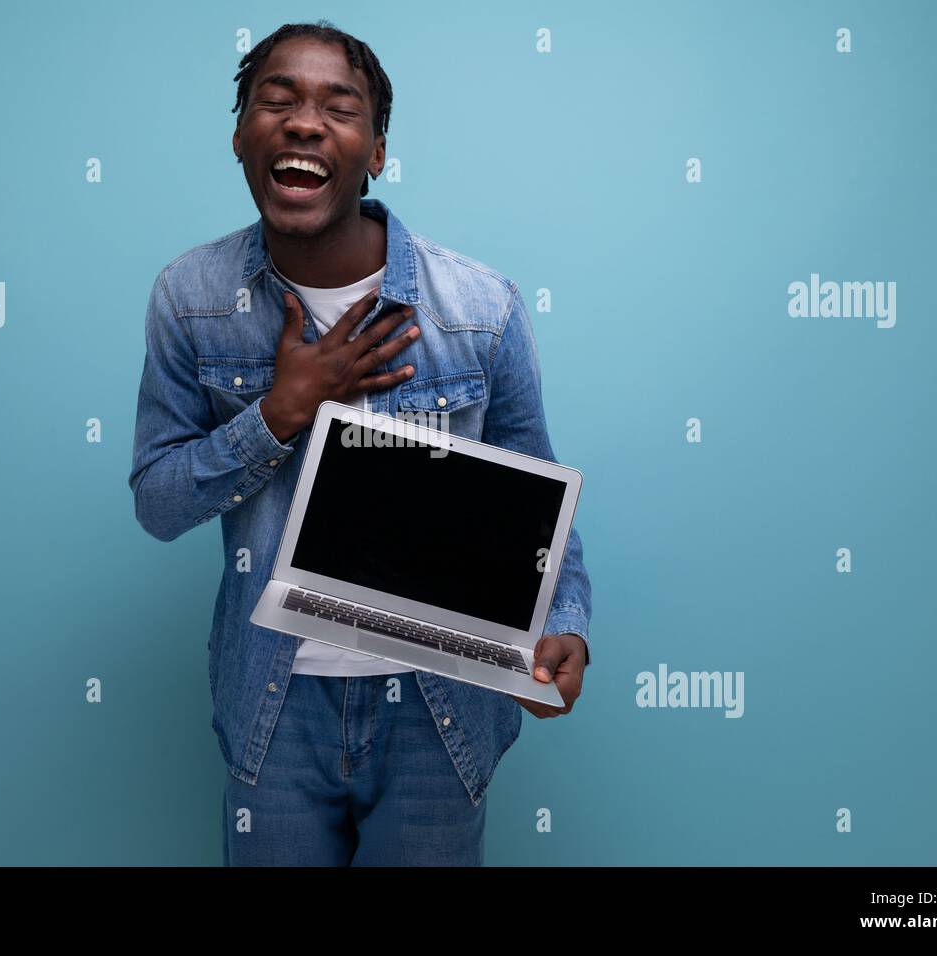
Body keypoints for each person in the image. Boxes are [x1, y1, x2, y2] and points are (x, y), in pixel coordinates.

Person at [128, 20, 593, 866]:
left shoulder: (479, 308)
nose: (304, 122)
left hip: (437, 714)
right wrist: (277, 414)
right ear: (241, 136)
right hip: (272, 710)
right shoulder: (190, 297)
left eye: (338, 109)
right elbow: (158, 504)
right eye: (277, 100)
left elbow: (540, 513)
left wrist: (563, 629)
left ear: (376, 150)